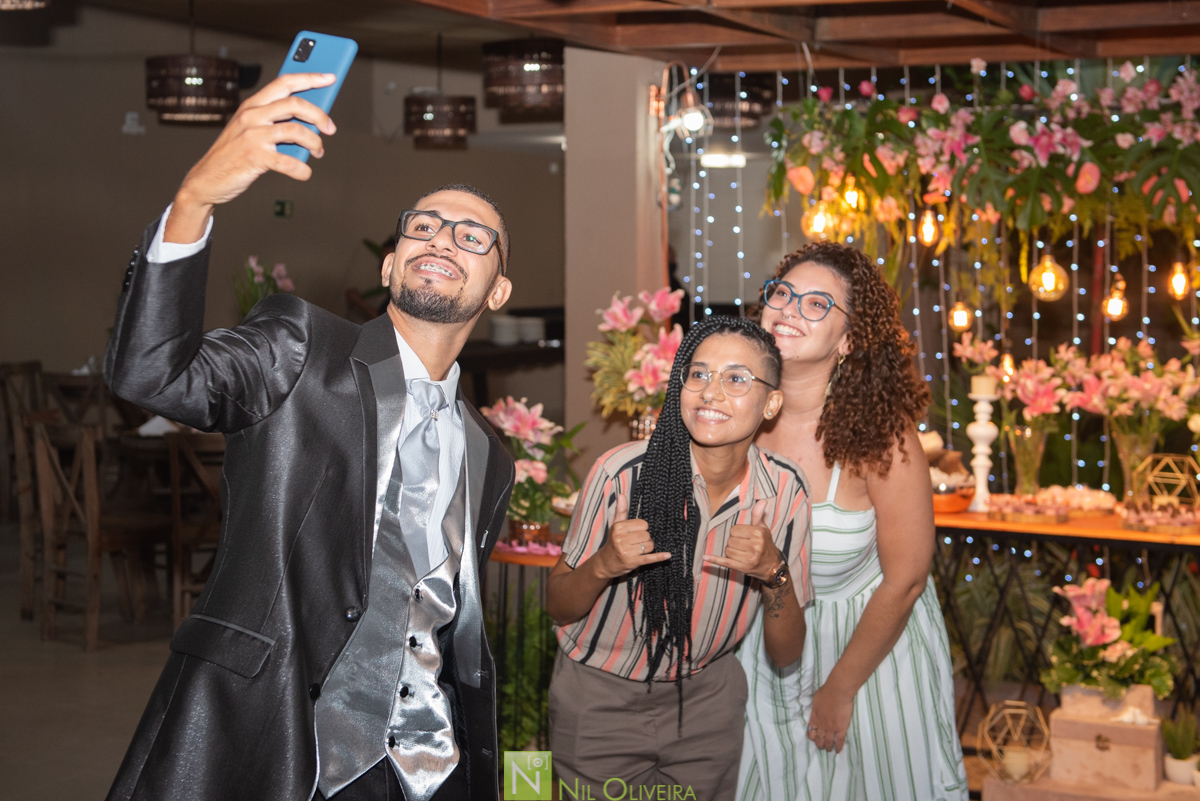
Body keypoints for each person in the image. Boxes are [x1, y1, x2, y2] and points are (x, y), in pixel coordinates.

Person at [103, 72, 516, 801]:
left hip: (435, 766)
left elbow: (451, 628)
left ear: (498, 290)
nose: (441, 238)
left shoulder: (491, 454)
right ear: (390, 263)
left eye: (471, 235)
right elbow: (151, 378)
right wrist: (195, 196)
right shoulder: (300, 348)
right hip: (278, 741)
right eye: (420, 225)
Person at [545, 316, 814, 801]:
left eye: (736, 378)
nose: (711, 392)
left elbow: (786, 652)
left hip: (707, 706)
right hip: (600, 701)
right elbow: (558, 604)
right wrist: (605, 563)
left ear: (771, 402)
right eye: (698, 374)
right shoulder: (621, 475)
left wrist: (774, 574)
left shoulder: (785, 492)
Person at [736, 242, 968, 801]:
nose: (790, 309)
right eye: (784, 293)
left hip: (869, 655)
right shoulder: (732, 413)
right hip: (759, 652)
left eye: (817, 304)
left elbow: (908, 576)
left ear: (849, 340)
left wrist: (839, 689)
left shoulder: (882, 435)